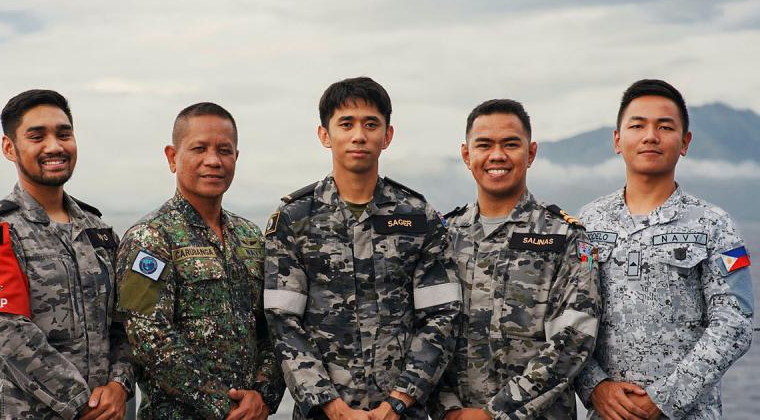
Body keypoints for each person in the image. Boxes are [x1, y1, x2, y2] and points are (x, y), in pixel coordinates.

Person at [263, 76, 461, 420]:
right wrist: (331, 406)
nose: (359, 135)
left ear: (387, 135)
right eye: (346, 124)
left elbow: (440, 316)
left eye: (371, 124)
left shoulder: (417, 216)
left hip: (403, 412)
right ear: (325, 135)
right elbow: (283, 322)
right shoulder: (295, 218)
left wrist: (399, 401)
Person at [574, 79, 754, 419]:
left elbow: (735, 323)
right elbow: (571, 316)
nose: (650, 136)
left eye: (665, 126)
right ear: (618, 140)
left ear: (685, 142)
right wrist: (594, 387)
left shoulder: (714, 224)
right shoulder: (588, 223)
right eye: (638, 125)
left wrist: (663, 399)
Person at [0, 89, 134, 419]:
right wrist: (82, 404)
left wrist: (119, 386)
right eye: (37, 136)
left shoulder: (99, 231)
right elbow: (5, 332)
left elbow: (123, 323)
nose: (54, 146)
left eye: (63, 134)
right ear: (9, 148)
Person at [429, 99, 601, 420]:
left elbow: (573, 340)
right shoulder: (443, 237)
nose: (497, 155)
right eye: (484, 145)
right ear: (467, 155)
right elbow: (427, 331)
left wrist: (494, 414)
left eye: (510, 144)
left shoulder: (565, 237)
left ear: (531, 153)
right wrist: (448, 409)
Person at [115, 102, 285, 419]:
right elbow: (146, 336)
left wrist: (262, 396)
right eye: (199, 149)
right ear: (172, 157)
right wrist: (223, 407)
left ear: (236, 157)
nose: (213, 161)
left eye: (224, 150)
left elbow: (272, 327)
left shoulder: (250, 237)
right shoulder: (149, 238)